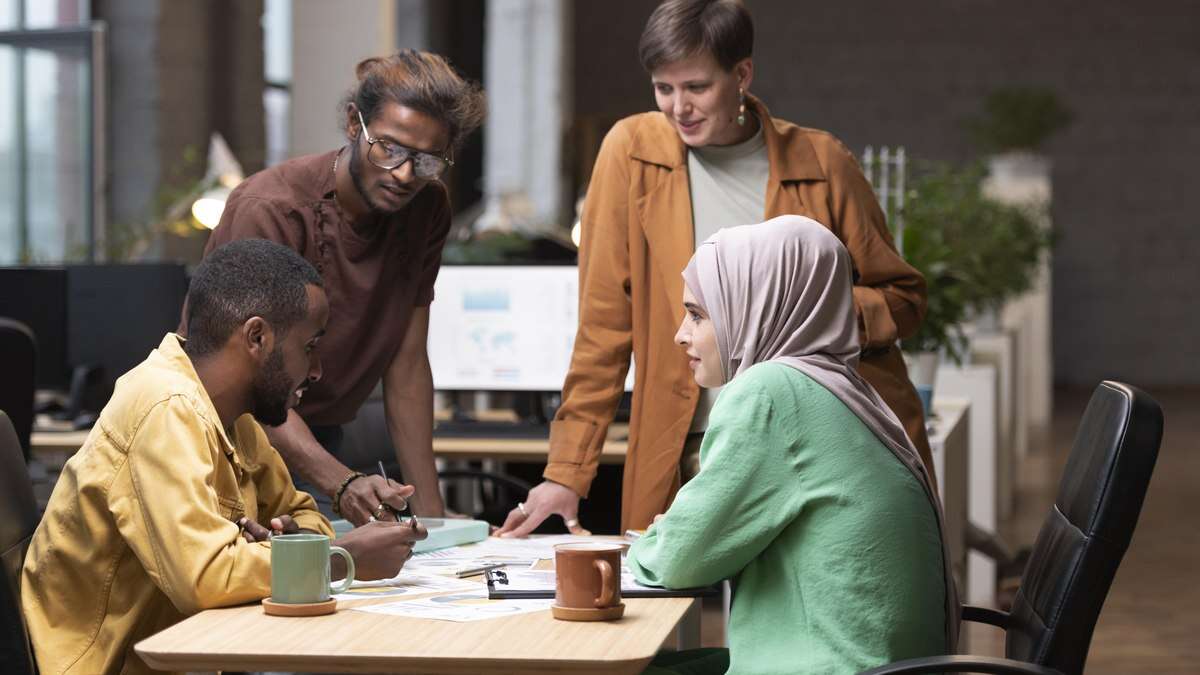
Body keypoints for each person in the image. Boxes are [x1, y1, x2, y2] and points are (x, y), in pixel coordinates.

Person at [499, 0, 931, 536]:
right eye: (663, 88)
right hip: (690, 447)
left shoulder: (821, 162)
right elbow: (603, 328)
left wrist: (814, 317)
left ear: (742, 74)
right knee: (662, 608)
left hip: (815, 444)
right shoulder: (629, 153)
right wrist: (566, 472)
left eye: (697, 87)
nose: (679, 107)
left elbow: (904, 301)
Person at [22, 239, 426, 675]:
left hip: (186, 652)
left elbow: (304, 515)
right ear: (257, 337)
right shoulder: (164, 407)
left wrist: (285, 546)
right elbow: (205, 578)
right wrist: (337, 558)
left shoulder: (234, 415)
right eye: (309, 346)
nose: (316, 371)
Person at [629, 216, 956, 674]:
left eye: (699, 314)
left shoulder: (770, 392)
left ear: (754, 305)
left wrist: (654, 542)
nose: (681, 333)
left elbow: (680, 560)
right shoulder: (845, 387)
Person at [191, 49, 486, 524]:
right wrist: (341, 482)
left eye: (428, 159)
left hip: (321, 434)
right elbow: (240, 378)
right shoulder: (270, 209)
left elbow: (407, 365)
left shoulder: (427, 208)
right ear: (354, 123)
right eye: (388, 147)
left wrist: (432, 521)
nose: (405, 174)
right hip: (231, 441)